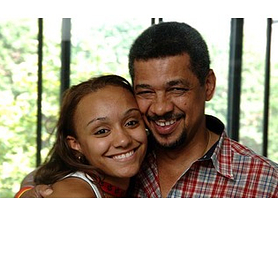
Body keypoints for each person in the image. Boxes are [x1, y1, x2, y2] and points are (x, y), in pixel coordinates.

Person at [18, 21, 278, 198]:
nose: (161, 108)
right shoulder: (126, 154)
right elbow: (47, 178)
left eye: (176, 89)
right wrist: (28, 195)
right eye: (145, 92)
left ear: (207, 85)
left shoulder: (266, 182)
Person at [15, 75, 147, 198]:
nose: (123, 140)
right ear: (75, 144)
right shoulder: (75, 194)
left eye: (131, 123)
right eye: (101, 131)